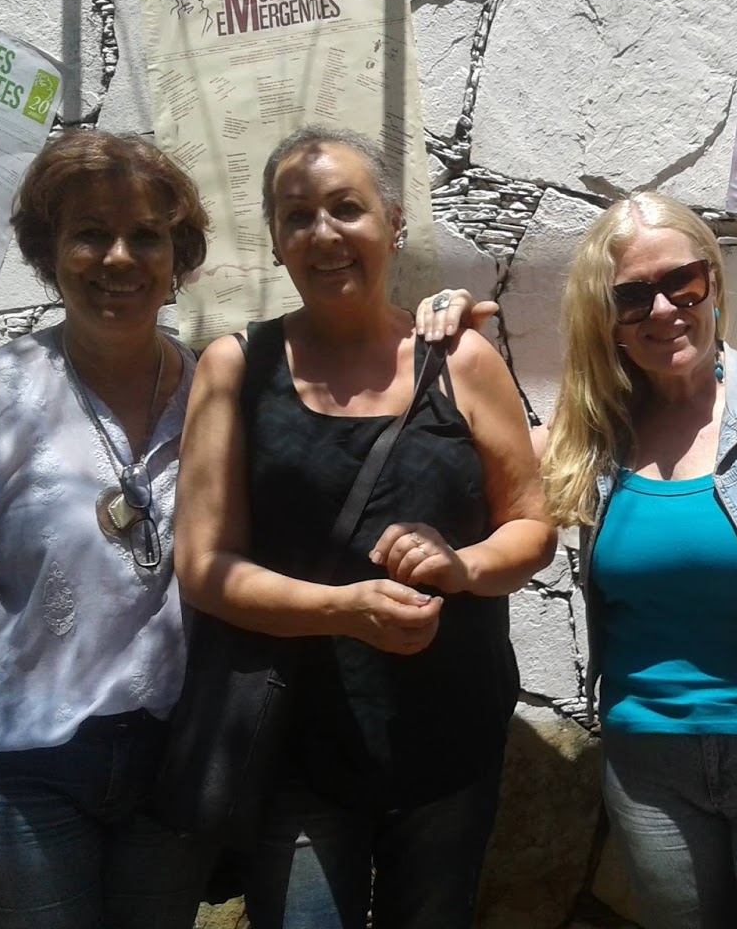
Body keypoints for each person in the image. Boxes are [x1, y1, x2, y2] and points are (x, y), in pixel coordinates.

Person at [415, 191, 737, 928]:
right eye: (631, 296)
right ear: (607, 317)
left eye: (681, 283)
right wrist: (447, 349)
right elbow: (456, 455)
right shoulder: (591, 434)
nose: (662, 310)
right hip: (648, 770)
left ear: (712, 281)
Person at [173, 124, 555, 929]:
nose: (324, 234)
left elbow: (531, 527)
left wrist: (462, 565)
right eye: (297, 216)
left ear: (394, 222)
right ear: (276, 241)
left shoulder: (461, 362)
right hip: (299, 747)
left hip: (450, 741)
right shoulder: (237, 369)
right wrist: (343, 611)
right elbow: (204, 565)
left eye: (346, 208)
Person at [0, 130, 212, 928]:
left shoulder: (215, 394)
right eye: (90, 234)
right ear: (49, 251)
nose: (118, 258)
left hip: (174, 762)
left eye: (146, 236)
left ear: (178, 256)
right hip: (24, 768)